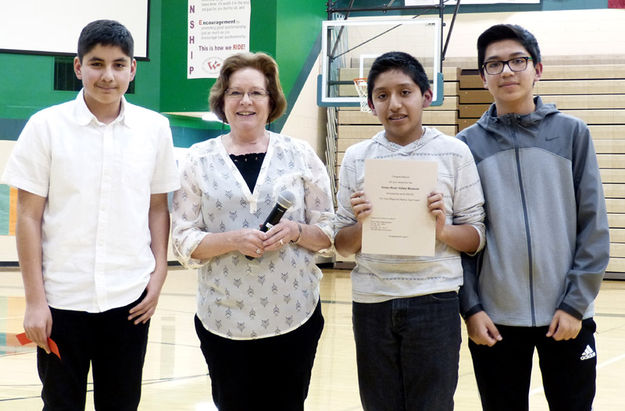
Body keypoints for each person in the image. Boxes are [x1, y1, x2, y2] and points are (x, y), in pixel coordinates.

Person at [1, 20, 180, 410]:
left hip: (129, 303)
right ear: (78, 67)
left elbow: (157, 209)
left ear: (132, 70)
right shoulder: (45, 128)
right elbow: (28, 217)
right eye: (97, 64)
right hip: (61, 303)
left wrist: (159, 271)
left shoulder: (155, 129)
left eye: (119, 64)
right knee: (60, 404)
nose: (108, 75)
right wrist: (34, 301)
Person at [457, 24, 610, 411]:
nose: (506, 71)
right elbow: (462, 239)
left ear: (537, 69)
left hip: (567, 315)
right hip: (495, 321)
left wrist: (576, 304)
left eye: (517, 61)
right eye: (494, 64)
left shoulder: (573, 133)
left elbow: (594, 226)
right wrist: (472, 309)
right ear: (483, 76)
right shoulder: (464, 147)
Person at [170, 51, 334, 411]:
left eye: (256, 92)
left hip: (295, 315)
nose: (246, 101)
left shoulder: (301, 154)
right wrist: (231, 240)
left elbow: (328, 232)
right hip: (223, 319)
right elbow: (182, 240)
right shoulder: (197, 160)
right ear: (222, 101)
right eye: (235, 92)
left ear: (271, 100)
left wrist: (294, 231)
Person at [334, 51, 485, 411]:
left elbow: (477, 237)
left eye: (405, 92)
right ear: (370, 104)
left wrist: (443, 230)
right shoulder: (357, 157)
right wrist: (363, 225)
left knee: (432, 404)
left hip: (435, 299)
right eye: (382, 96)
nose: (394, 104)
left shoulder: (454, 153)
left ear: (426, 96)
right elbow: (340, 244)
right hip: (372, 302)